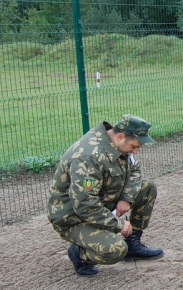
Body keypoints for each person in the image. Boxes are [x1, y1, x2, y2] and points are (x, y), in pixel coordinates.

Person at [47, 114, 164, 276]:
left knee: (147, 188)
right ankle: (79, 255)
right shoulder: (88, 157)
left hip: (101, 202)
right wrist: (118, 225)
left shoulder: (120, 146)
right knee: (115, 250)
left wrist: (126, 198)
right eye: (134, 146)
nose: (136, 152)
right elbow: (84, 205)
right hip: (73, 217)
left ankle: (133, 243)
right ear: (120, 136)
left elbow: (135, 171)